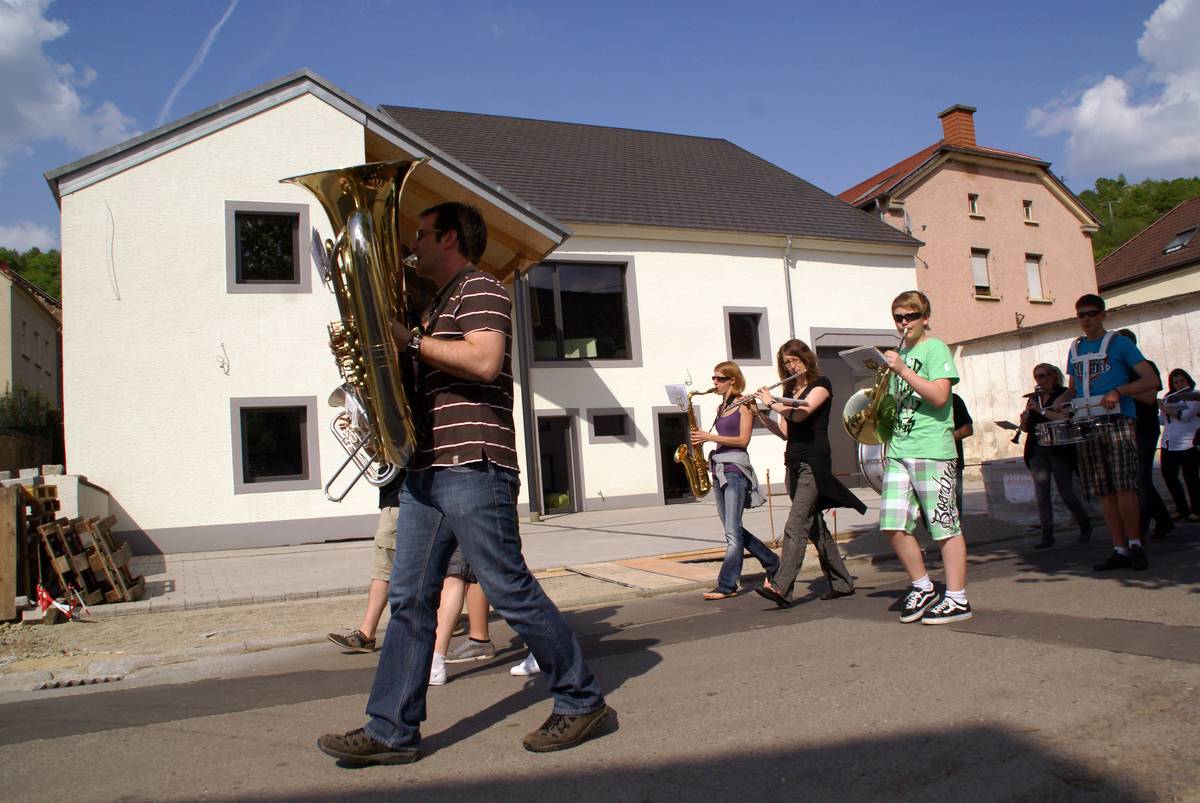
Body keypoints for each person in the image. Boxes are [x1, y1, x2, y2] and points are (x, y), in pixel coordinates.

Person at [317, 202, 610, 766]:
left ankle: (581, 700)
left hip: (474, 464)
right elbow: (425, 377)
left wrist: (405, 341)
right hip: (426, 469)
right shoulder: (434, 307)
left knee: (507, 588)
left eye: (422, 236)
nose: (414, 246)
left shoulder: (482, 288)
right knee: (408, 601)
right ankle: (391, 730)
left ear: (449, 238)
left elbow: (482, 360)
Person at [879, 290, 972, 625]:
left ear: (924, 318)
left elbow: (939, 395)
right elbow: (894, 405)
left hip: (932, 449)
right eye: (898, 317)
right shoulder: (900, 353)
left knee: (944, 526)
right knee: (892, 524)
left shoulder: (935, 348)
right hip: (900, 449)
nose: (904, 323)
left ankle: (958, 598)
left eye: (910, 317)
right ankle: (923, 586)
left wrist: (902, 370)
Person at [751, 340, 863, 608]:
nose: (791, 366)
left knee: (796, 524)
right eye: (786, 363)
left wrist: (772, 402)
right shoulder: (790, 389)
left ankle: (781, 586)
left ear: (806, 358)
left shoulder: (821, 385)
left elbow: (801, 415)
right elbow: (786, 432)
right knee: (815, 528)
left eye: (794, 360)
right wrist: (762, 414)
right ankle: (842, 582)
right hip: (794, 462)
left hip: (814, 462)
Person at [1065, 295, 1159, 572]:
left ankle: (1135, 544)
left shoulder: (1120, 343)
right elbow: (1073, 389)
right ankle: (1118, 548)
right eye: (1081, 315)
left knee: (1124, 486)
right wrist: (1059, 406)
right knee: (1103, 490)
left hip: (1118, 420)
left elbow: (1150, 381)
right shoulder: (1075, 349)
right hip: (1087, 422)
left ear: (1103, 315)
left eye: (1092, 313)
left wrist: (1118, 391)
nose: (1087, 319)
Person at [690, 361, 780, 600]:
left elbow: (742, 440)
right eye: (714, 378)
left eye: (719, 378)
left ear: (732, 380)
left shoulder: (745, 404)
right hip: (718, 468)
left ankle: (727, 585)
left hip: (735, 470)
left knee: (732, 531)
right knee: (733, 529)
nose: (714, 383)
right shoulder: (722, 406)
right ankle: (772, 561)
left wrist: (709, 436)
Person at [327, 472, 404, 653]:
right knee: (385, 571)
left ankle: (366, 634)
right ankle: (366, 634)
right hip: (395, 499)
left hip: (399, 501)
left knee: (384, 570)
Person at [1019, 364, 1093, 549]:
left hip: (1058, 449)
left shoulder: (1064, 394)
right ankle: (1047, 534)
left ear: (1053, 376)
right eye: (1036, 377)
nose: (1039, 380)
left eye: (1042, 376)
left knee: (1066, 492)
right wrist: (1025, 419)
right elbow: (1028, 427)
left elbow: (1064, 418)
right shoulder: (1034, 398)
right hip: (1037, 449)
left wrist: (1041, 411)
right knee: (1042, 494)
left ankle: (1084, 523)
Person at [1117, 329, 1174, 539]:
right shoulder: (1117, 370)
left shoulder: (1145, 366)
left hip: (1145, 428)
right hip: (1125, 429)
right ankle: (1162, 520)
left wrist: (1120, 391)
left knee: (1140, 479)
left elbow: (1150, 397)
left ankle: (1141, 527)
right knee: (1135, 480)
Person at [1159, 368, 1200, 522]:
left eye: (1182, 381)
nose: (1179, 384)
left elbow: (1185, 416)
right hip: (1170, 443)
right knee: (1169, 476)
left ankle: (1197, 509)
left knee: (1191, 478)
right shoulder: (1169, 397)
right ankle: (1181, 508)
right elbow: (1162, 420)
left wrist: (1164, 408)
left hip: (1188, 443)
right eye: (1175, 382)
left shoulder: (1194, 395)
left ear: (1188, 380)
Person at [951, 393, 974, 516]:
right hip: (923, 464)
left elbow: (968, 429)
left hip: (952, 464)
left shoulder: (953, 399)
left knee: (954, 512)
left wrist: (940, 441)